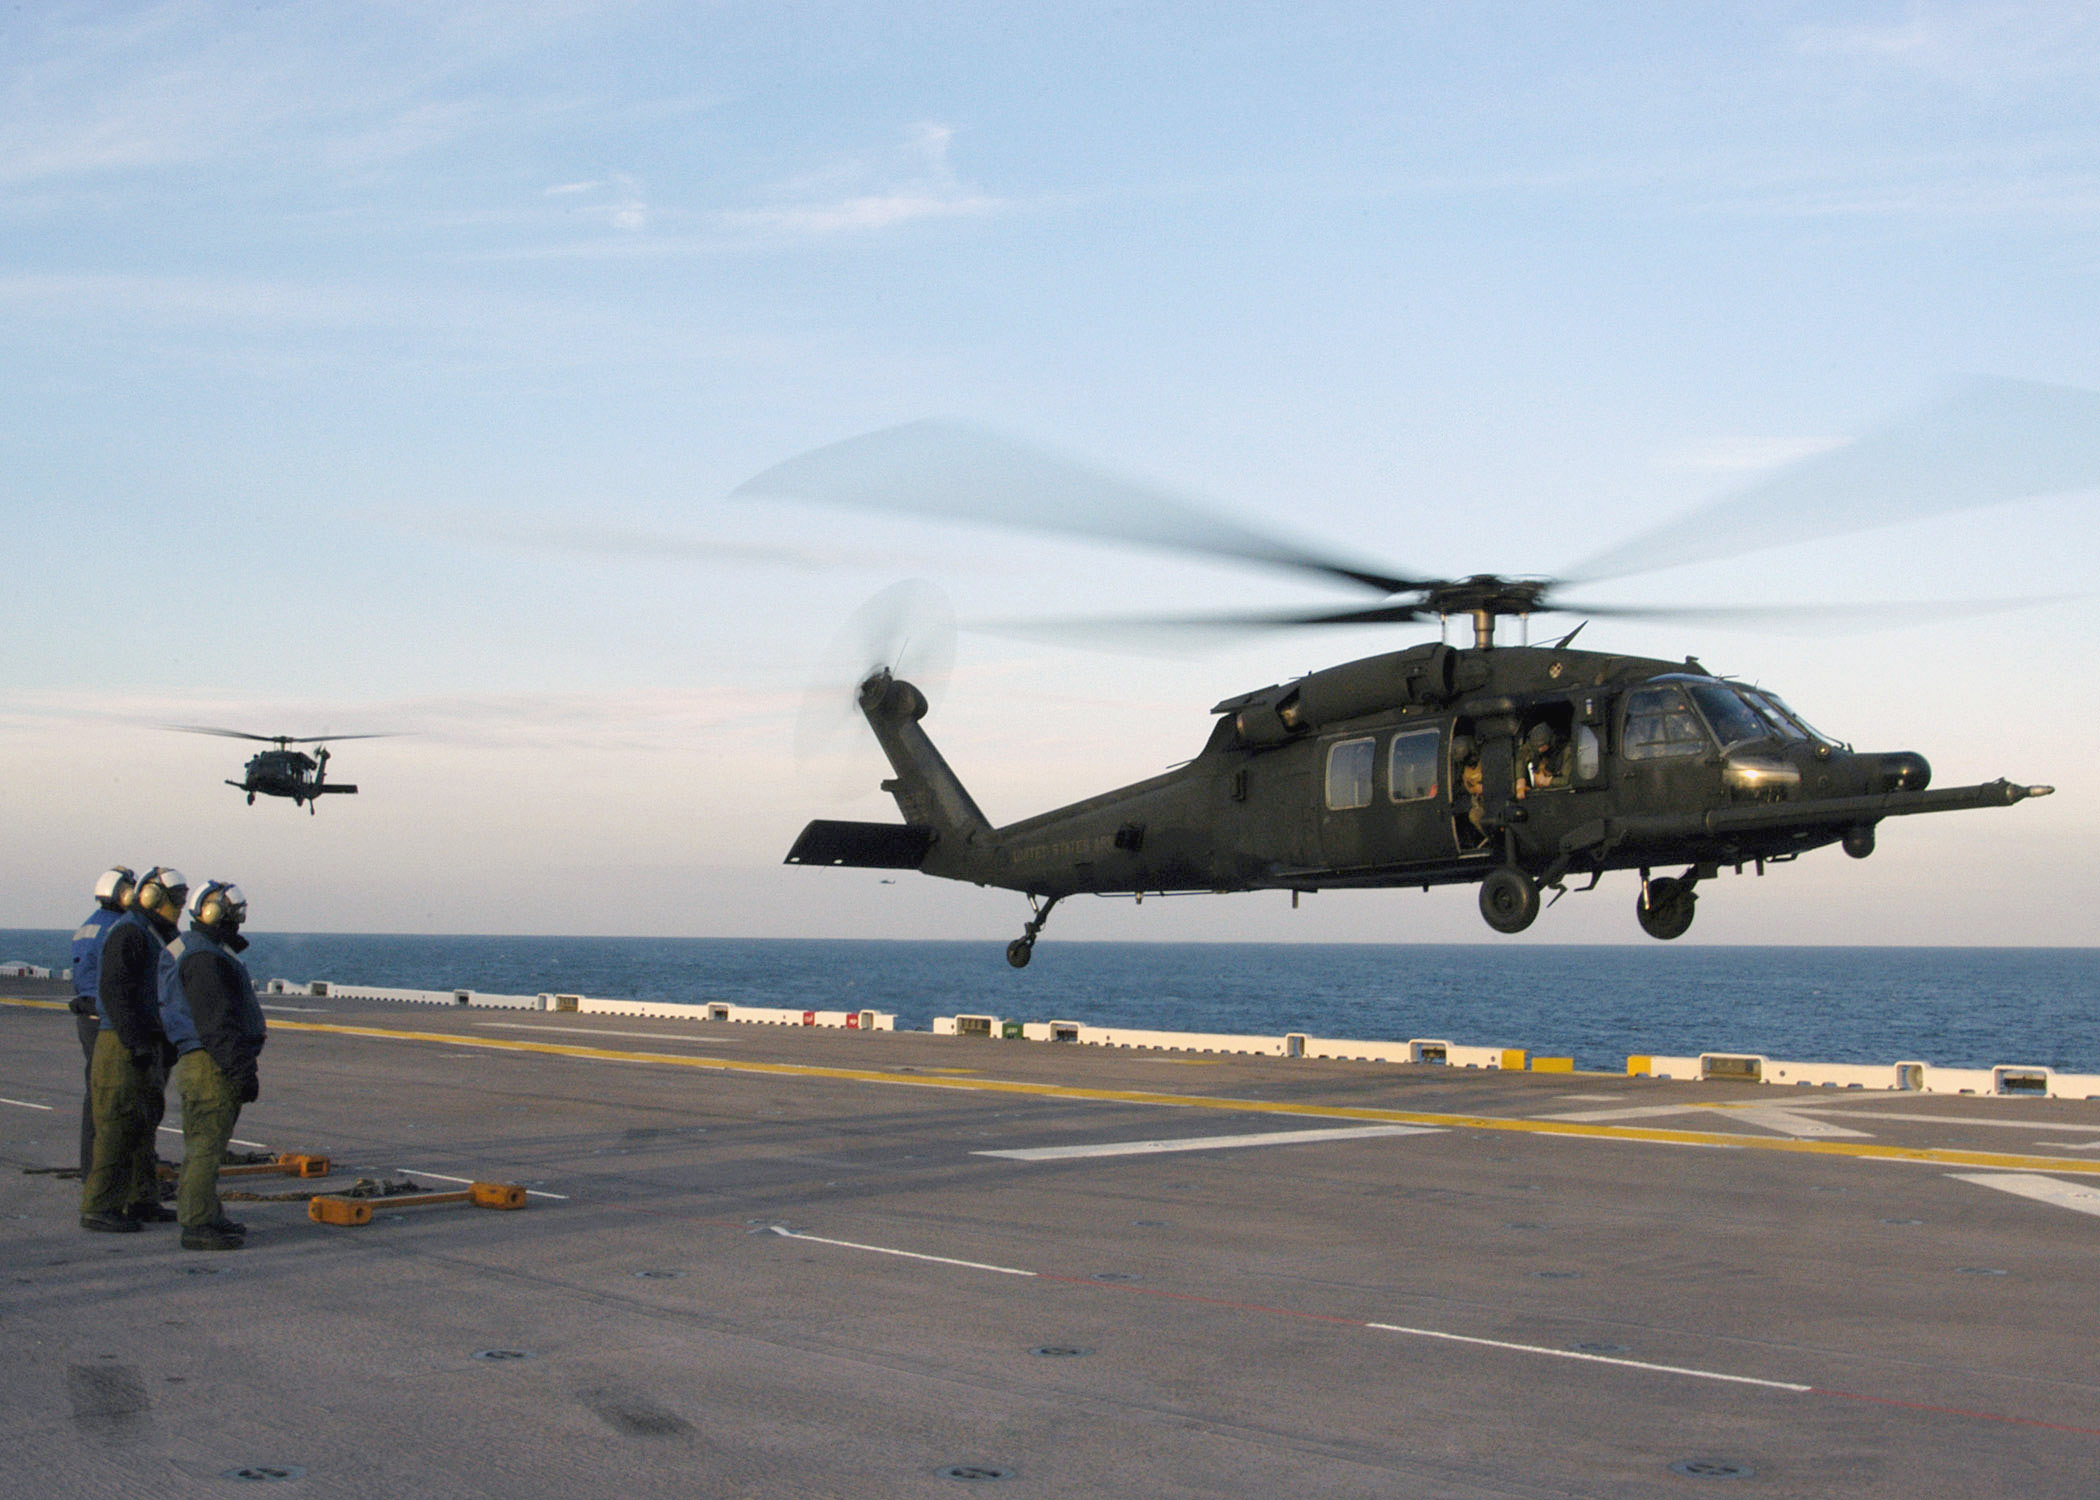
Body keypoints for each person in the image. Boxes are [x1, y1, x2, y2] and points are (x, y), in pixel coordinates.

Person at [158, 881, 266, 1252]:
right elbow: (217, 1021)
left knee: (202, 1145)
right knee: (206, 1147)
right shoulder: (205, 957)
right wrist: (242, 1071)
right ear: (214, 913)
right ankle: (198, 1223)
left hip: (202, 1060)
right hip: (211, 1063)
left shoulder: (192, 947)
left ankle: (206, 1212)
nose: (238, 922)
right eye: (234, 914)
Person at [79, 866, 186, 1233]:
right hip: (124, 1043)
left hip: (149, 1042)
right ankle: (100, 1207)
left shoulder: (157, 934)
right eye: (176, 900)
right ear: (153, 898)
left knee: (144, 1125)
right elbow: (116, 992)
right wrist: (137, 1042)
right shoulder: (129, 933)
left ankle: (142, 1198)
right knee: (116, 1127)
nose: (181, 907)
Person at [68, 867, 135, 1177]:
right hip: (107, 1018)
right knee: (115, 1094)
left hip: (88, 1015)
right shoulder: (119, 927)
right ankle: (106, 1170)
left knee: (94, 1092)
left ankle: (91, 1166)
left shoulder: (87, 926)